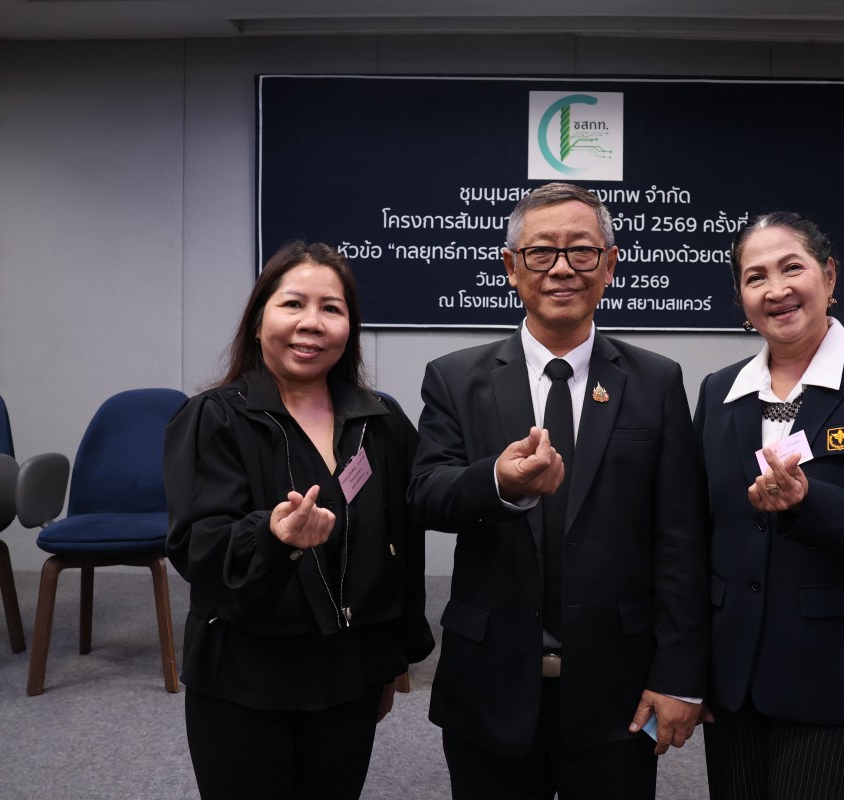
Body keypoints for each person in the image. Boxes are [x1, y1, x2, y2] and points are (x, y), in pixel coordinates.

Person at [409, 182, 709, 799]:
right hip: (490, 683)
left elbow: (681, 538)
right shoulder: (456, 378)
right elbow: (427, 494)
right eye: (542, 251)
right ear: (511, 267)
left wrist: (679, 675)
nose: (563, 268)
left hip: (618, 688)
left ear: (610, 264)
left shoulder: (656, 381)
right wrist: (498, 482)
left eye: (582, 251)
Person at [164, 241, 434, 800]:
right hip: (244, 676)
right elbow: (198, 548)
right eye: (292, 304)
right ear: (258, 319)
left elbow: (404, 546)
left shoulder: (381, 421)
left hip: (349, 674)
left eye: (331, 308)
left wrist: (391, 661)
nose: (311, 323)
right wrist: (272, 535)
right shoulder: (214, 417)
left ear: (349, 328)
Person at [695, 212, 844, 800]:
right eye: (755, 277)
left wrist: (808, 501)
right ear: (741, 298)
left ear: (829, 276)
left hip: (838, 676)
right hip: (734, 677)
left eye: (791, 268)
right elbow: (696, 530)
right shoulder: (718, 392)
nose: (776, 290)